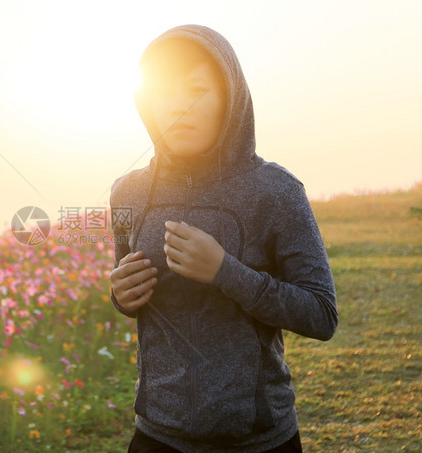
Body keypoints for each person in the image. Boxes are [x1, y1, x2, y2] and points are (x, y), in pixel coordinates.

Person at [108, 24, 338, 453]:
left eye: (197, 89)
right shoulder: (127, 193)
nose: (178, 106)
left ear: (230, 98)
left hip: (259, 439)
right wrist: (121, 294)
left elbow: (322, 315)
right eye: (163, 92)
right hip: (157, 436)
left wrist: (224, 271)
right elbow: (128, 288)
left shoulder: (276, 191)